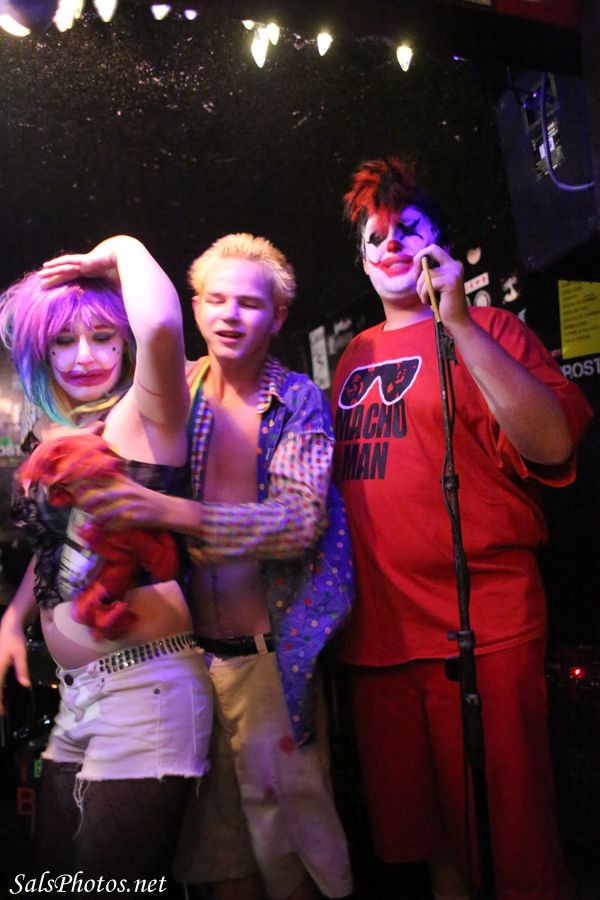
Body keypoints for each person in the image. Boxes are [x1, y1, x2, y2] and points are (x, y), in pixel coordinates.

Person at [330, 157, 593, 900]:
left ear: (439, 243)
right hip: (380, 645)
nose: (389, 245)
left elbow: (554, 444)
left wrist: (459, 323)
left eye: (407, 229)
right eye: (375, 237)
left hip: (481, 635)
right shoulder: (353, 356)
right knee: (433, 844)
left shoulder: (494, 329)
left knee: (516, 852)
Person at [73, 233, 355, 900]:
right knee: (215, 860)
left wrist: (170, 512)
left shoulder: (296, 401)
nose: (230, 314)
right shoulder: (177, 390)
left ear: (277, 316)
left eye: (249, 303)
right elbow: (95, 468)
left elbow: (298, 521)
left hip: (271, 667)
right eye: (216, 299)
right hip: (185, 666)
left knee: (296, 858)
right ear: (195, 306)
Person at [0, 236, 213, 888]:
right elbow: (58, 547)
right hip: (80, 696)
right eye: (64, 341)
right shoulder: (58, 433)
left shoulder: (147, 411)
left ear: (125, 343)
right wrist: (13, 619)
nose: (85, 356)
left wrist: (118, 250)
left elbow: (162, 324)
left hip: (147, 692)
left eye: (102, 337)